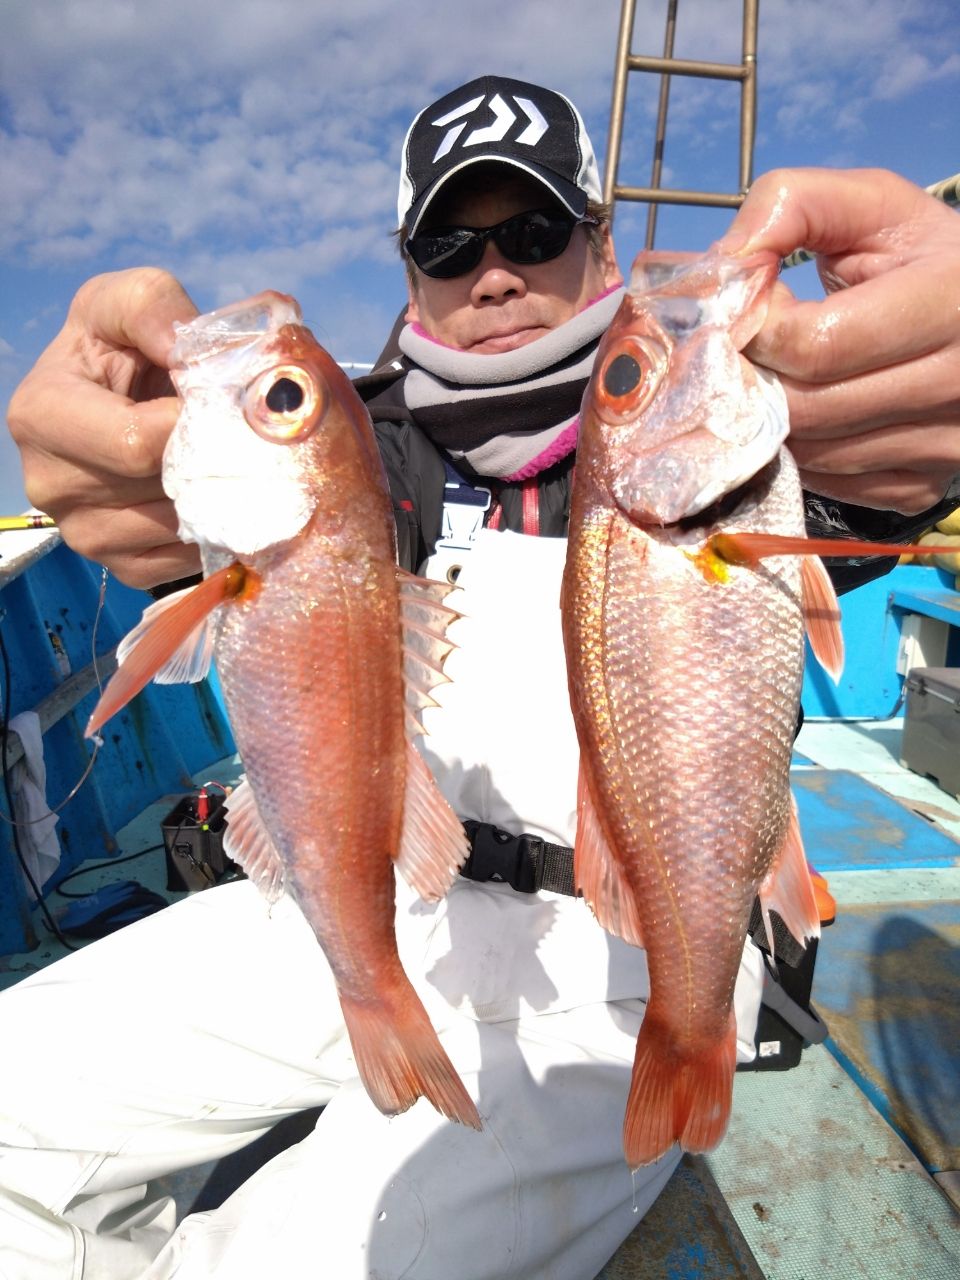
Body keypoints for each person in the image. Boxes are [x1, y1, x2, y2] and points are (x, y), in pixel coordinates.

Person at [2, 73, 959, 1280]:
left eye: (534, 230)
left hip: (625, 952)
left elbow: (889, 482)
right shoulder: (359, 450)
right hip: (372, 904)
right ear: (410, 277)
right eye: (452, 245)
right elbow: (230, 577)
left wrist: (927, 415)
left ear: (600, 242)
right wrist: (137, 498)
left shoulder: (761, 417)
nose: (494, 273)